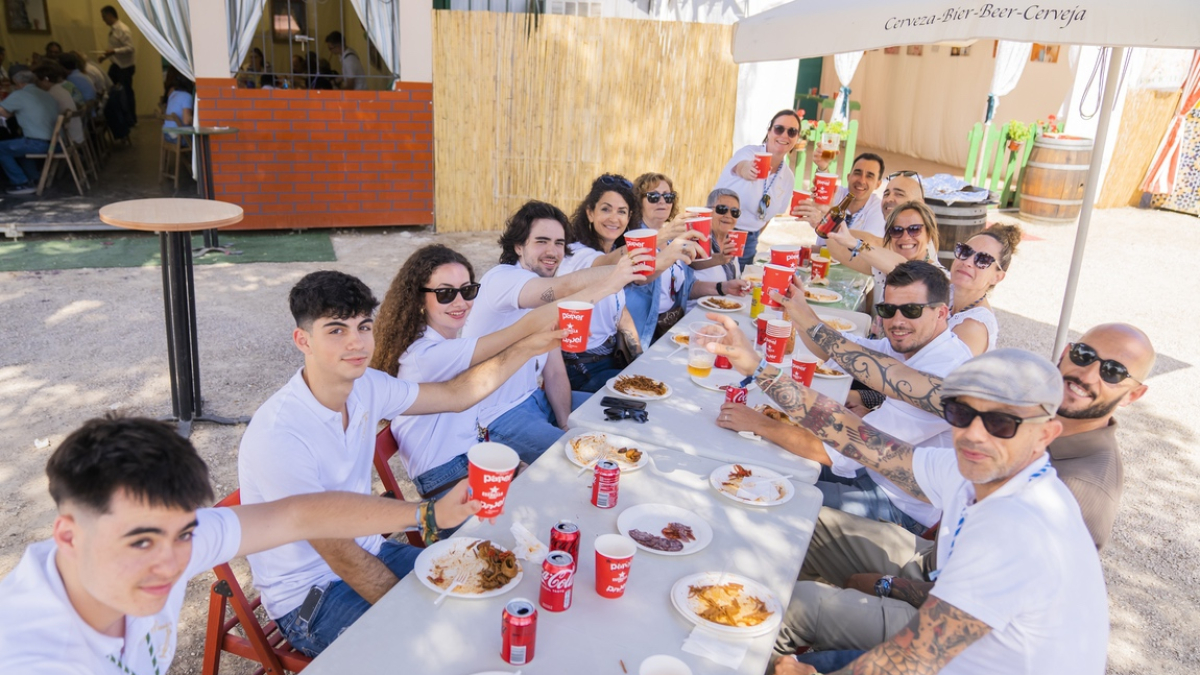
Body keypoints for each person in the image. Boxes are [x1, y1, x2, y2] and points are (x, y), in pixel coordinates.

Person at [707, 329, 1110, 675]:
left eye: (1001, 423)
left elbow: (916, 657)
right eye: (960, 412)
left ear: (1047, 435)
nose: (974, 434)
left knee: (779, 613)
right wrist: (759, 368)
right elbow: (859, 441)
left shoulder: (1018, 525)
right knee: (793, 515)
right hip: (935, 590)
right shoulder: (977, 467)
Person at [0, 415, 481, 673]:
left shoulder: (157, 550)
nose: (170, 565)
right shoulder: (32, 654)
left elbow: (298, 513)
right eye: (141, 543)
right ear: (68, 535)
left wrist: (426, 514)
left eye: (185, 534)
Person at [239, 270, 559, 656]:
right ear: (302, 340)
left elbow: (456, 394)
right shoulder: (280, 432)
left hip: (374, 549)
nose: (356, 343)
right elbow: (335, 549)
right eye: (336, 330)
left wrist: (527, 347)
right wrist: (414, 612)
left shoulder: (366, 385)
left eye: (364, 326)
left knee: (490, 594)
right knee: (436, 649)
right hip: (312, 597)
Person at [720, 262, 972, 534]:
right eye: (888, 310)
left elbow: (841, 449)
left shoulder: (943, 369)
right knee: (756, 462)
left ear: (942, 313)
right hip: (870, 470)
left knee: (758, 498)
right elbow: (840, 351)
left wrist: (759, 422)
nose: (897, 321)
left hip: (900, 507)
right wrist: (800, 313)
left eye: (911, 310)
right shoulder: (917, 342)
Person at [371, 243, 642, 496]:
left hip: (474, 456)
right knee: (568, 486)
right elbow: (521, 331)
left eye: (466, 290)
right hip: (446, 477)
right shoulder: (426, 354)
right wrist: (610, 284)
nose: (459, 302)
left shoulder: (444, 339)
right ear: (419, 300)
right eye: (444, 293)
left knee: (569, 480)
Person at [463, 200, 648, 459]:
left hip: (536, 402)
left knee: (636, 415)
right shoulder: (503, 279)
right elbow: (563, 287)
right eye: (541, 241)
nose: (552, 251)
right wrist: (615, 278)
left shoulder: (543, 291)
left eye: (559, 243)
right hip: (498, 417)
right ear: (518, 246)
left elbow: (554, 371)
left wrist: (565, 425)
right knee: (592, 457)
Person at [825, 220, 1021, 356]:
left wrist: (866, 399)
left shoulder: (974, 327)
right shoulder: (947, 287)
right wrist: (853, 243)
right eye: (965, 251)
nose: (968, 262)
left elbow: (934, 387)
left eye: (983, 260)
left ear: (998, 277)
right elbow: (899, 265)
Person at [560, 173, 655, 391]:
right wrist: (651, 241)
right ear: (590, 213)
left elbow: (621, 314)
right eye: (606, 209)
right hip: (581, 368)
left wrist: (640, 357)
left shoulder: (613, 253)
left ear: (629, 218)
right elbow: (602, 264)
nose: (614, 218)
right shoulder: (577, 254)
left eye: (621, 211)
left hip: (611, 358)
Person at [715, 108, 802, 267]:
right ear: (769, 131)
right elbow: (740, 167)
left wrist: (753, 235)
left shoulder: (787, 177)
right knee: (713, 283)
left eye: (792, 132)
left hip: (749, 239)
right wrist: (747, 169)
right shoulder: (749, 153)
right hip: (720, 232)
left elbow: (769, 216)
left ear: (797, 138)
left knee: (737, 285)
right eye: (779, 129)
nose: (784, 135)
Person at [686, 187, 752, 312]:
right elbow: (693, 262)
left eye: (734, 212)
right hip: (696, 311)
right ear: (708, 211)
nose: (728, 216)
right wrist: (721, 258)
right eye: (722, 209)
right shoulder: (697, 237)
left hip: (726, 308)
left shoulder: (732, 240)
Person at [0, 69, 59, 195]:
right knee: (19, 144)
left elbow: (3, 112)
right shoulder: (45, 93)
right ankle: (33, 178)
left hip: (40, 144)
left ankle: (21, 183)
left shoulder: (20, 94)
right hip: (58, 143)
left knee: (2, 148)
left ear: (19, 83)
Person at [812, 153, 887, 244]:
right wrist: (822, 166)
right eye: (857, 173)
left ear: (878, 185)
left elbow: (864, 247)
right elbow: (825, 183)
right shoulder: (837, 194)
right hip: (820, 256)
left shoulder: (880, 210)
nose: (861, 180)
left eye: (869, 176)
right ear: (848, 177)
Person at [99, 5, 136, 130]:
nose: (103, 20)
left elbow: (130, 48)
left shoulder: (123, 29)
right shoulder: (113, 30)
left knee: (126, 92)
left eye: (104, 17)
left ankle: (131, 120)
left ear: (110, 15)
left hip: (125, 67)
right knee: (109, 88)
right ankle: (118, 117)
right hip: (116, 65)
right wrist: (105, 57)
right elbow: (114, 50)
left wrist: (114, 51)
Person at [32, 61, 85, 147]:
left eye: (38, 81)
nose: (37, 85)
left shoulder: (51, 93)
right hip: (76, 135)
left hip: (67, 139)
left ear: (46, 80)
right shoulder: (60, 89)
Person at [160, 67, 193, 142]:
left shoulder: (173, 93)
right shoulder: (187, 96)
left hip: (167, 135)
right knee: (200, 139)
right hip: (177, 137)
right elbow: (186, 121)